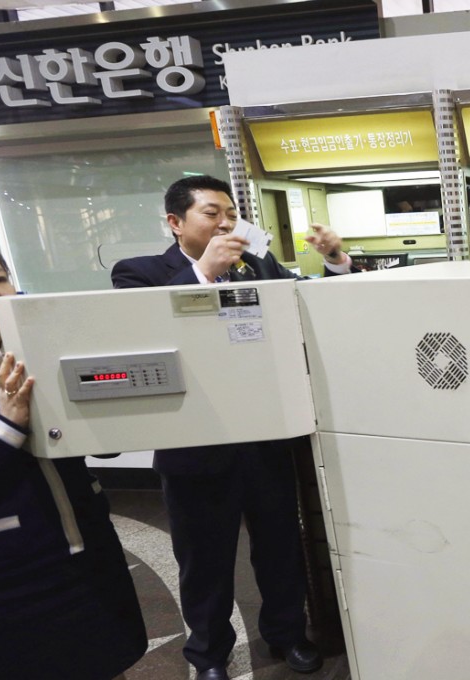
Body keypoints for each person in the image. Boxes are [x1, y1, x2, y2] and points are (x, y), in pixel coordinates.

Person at [111, 175, 351, 680]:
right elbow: (143, 332)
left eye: (231, 214)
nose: (225, 223)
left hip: (265, 436)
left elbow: (314, 312)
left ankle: (288, 636)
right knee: (205, 560)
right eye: (211, 213)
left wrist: (334, 261)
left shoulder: (258, 266)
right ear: (175, 223)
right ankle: (208, 654)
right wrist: (202, 273)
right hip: (194, 443)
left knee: (281, 547)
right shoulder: (139, 273)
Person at [0, 235, 147, 680]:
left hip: (86, 558)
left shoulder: (36, 356)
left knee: (107, 660)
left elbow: (103, 446)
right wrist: (7, 426)